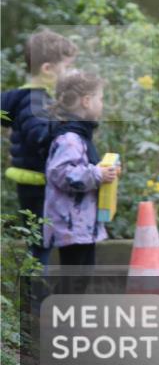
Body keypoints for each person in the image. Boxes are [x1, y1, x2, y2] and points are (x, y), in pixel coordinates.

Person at [1, 29, 78, 267]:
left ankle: (33, 297)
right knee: (40, 244)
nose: (69, 73)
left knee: (41, 241)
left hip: (35, 182)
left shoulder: (30, 98)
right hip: (38, 184)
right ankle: (34, 300)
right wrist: (66, 123)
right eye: (65, 68)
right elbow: (40, 137)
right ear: (47, 69)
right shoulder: (36, 101)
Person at [44, 70, 121, 294]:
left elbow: (84, 168)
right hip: (72, 224)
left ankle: (63, 319)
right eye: (101, 98)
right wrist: (97, 174)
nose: (103, 104)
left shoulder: (80, 136)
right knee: (74, 278)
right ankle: (58, 321)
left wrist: (106, 173)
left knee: (81, 274)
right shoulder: (69, 139)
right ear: (86, 102)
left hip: (82, 223)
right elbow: (60, 172)